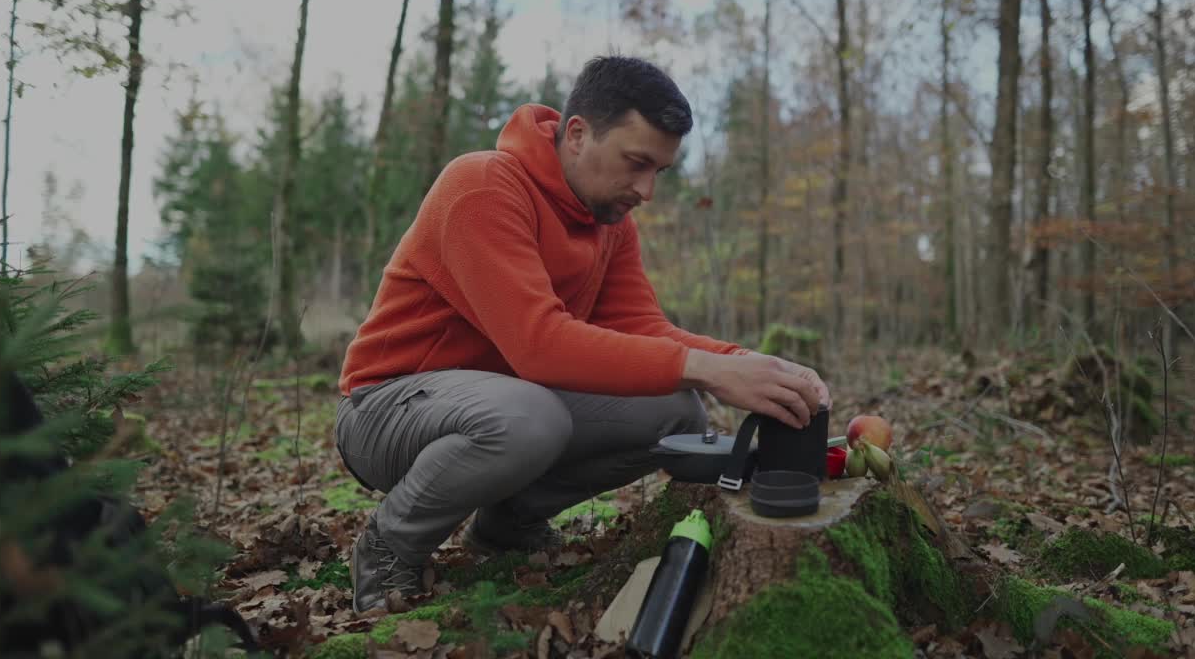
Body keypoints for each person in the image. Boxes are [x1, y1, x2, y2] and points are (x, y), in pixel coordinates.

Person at [334, 55, 830, 613]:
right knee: (530, 417)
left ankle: (509, 523)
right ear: (577, 134)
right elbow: (539, 344)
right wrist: (711, 369)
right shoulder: (482, 186)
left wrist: (744, 360)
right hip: (384, 409)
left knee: (674, 412)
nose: (646, 190)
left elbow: (641, 327)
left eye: (658, 172)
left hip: (504, 403)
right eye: (636, 163)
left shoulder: (608, 222)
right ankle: (389, 546)